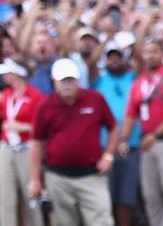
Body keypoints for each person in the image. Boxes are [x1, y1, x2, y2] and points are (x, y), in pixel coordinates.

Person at [30, 58, 118, 225]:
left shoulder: (95, 99)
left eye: (70, 80)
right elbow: (37, 143)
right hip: (58, 177)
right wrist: (35, 179)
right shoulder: (46, 105)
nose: (67, 84)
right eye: (62, 80)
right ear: (55, 82)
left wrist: (108, 156)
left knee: (101, 220)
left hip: (92, 175)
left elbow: (113, 128)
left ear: (77, 80)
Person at [117, 37, 163, 226]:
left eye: (154, 51)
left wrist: (157, 134)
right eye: (147, 52)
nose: (150, 56)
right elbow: (130, 113)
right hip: (148, 145)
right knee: (151, 195)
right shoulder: (140, 81)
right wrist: (124, 139)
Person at [93, 41, 140, 226]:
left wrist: (130, 40)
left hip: (131, 145)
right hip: (104, 146)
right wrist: (106, 40)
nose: (114, 61)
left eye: (117, 57)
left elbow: (141, 61)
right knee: (105, 197)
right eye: (110, 57)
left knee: (126, 198)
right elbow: (90, 63)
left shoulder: (133, 77)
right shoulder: (98, 79)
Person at [0, 58, 45, 226]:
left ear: (17, 74)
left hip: (27, 149)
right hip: (6, 147)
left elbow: (42, 129)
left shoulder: (36, 96)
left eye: (8, 72)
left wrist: (23, 127)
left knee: (31, 196)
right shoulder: (6, 95)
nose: (4, 75)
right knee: (5, 197)